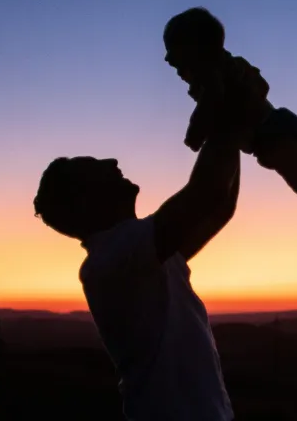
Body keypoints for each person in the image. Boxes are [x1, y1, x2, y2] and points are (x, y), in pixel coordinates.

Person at [33, 113, 242, 420]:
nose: (113, 162)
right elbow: (206, 193)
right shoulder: (114, 256)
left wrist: (230, 126)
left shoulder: (139, 251)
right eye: (96, 168)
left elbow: (218, 206)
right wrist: (227, 108)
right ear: (85, 203)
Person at [163, 6, 297, 260]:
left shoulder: (215, 73)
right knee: (293, 184)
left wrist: (194, 135)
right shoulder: (216, 72)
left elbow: (211, 105)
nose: (168, 59)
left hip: (274, 130)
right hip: (257, 137)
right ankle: (178, 255)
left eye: (173, 50)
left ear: (197, 48)